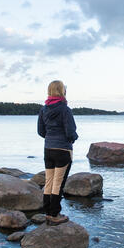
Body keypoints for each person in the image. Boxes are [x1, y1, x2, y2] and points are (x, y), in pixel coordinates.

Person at [37, 80, 78, 224]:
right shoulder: (65, 109)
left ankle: (47, 211)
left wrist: (50, 138)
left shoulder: (43, 109)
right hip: (62, 150)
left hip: (48, 149)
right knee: (58, 183)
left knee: (49, 181)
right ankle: (54, 214)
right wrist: (73, 139)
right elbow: (70, 131)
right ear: (62, 91)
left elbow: (41, 131)